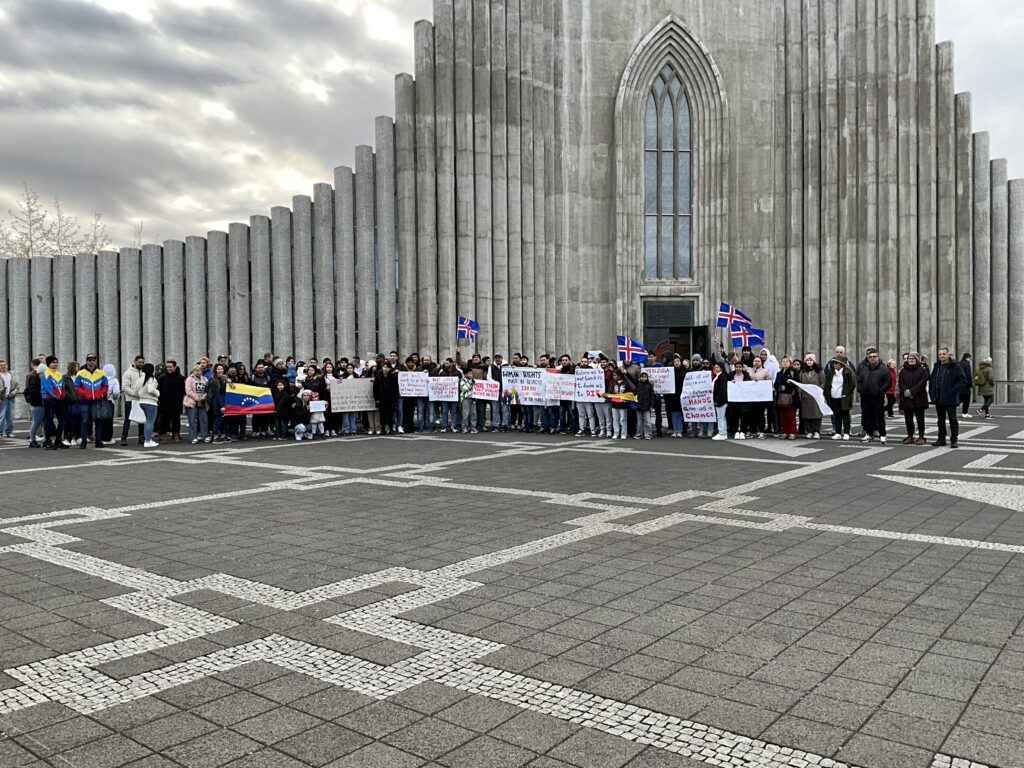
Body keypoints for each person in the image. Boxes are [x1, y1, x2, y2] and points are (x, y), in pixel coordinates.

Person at [929, 346, 968, 448]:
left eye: (943, 354)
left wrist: (953, 390)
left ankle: (954, 439)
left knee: (953, 419)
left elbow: (963, 380)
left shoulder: (955, 366)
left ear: (948, 354)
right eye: (940, 354)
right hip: (938, 398)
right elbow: (933, 380)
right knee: (940, 420)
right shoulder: (936, 366)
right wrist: (932, 393)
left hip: (950, 398)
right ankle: (941, 439)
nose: (942, 356)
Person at [74, 354, 109, 449]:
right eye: (89, 360)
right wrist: (84, 394)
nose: (91, 361)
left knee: (98, 421)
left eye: (93, 360)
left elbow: (105, 385)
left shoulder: (101, 373)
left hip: (97, 401)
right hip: (85, 401)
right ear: (86, 361)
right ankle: (83, 442)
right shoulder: (81, 373)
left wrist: (102, 394)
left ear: (96, 361)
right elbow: (76, 386)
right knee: (84, 421)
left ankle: (98, 441)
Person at [857, 348, 890, 444]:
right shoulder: (864, 369)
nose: (872, 358)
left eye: (874, 357)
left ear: (878, 357)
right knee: (867, 416)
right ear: (867, 358)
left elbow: (888, 382)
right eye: (870, 357)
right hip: (865, 397)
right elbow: (859, 380)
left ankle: (883, 435)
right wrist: (860, 389)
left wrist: (880, 391)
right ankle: (869, 434)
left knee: (879, 417)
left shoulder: (884, 369)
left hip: (877, 397)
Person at [897, 352, 929, 445]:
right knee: (908, 419)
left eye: (913, 359)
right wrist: (906, 390)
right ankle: (910, 435)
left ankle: (921, 436)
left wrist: (912, 391)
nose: (911, 360)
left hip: (919, 398)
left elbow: (922, 382)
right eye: (909, 358)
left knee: (920, 419)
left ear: (916, 359)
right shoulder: (903, 370)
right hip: (906, 398)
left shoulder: (921, 370)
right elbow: (901, 382)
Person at [824, 357, 855, 441]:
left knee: (845, 416)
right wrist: (827, 394)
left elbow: (852, 384)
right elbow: (827, 383)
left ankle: (846, 433)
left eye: (836, 363)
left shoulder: (848, 371)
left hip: (844, 398)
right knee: (836, 415)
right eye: (834, 363)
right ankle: (838, 433)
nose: (834, 365)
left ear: (841, 364)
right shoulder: (831, 372)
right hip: (833, 397)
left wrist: (846, 393)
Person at [41, 356, 67, 450]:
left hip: (59, 400)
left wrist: (63, 395)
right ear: (48, 364)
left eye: (56, 362)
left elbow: (63, 386)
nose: (55, 364)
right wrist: (55, 396)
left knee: (62, 420)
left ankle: (58, 440)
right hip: (49, 399)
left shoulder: (59, 374)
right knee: (49, 419)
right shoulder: (45, 374)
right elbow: (48, 388)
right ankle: (47, 440)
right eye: (53, 362)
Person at [157, 359, 185, 443]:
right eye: (167, 367)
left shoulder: (180, 378)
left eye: (171, 367)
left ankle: (176, 434)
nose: (169, 369)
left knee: (176, 420)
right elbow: (158, 390)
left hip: (176, 402)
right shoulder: (161, 378)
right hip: (164, 402)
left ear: (175, 367)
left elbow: (183, 390)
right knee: (164, 420)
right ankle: (164, 435)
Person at [798, 354, 825, 439]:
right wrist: (801, 393)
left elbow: (823, 382)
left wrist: (819, 391)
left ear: (814, 361)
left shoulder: (819, 371)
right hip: (805, 396)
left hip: (816, 395)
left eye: (811, 360)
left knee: (816, 414)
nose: (809, 361)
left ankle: (816, 431)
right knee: (806, 415)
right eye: (807, 360)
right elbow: (800, 383)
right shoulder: (802, 371)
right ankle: (809, 431)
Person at [120, 355, 146, 446]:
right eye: (139, 362)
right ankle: (124, 437)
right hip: (130, 399)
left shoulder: (144, 373)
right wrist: (135, 394)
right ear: (135, 362)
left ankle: (141, 437)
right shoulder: (128, 373)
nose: (141, 364)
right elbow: (124, 387)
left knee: (141, 419)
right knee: (128, 419)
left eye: (143, 362)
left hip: (141, 399)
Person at [773, 355, 799, 440]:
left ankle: (792, 432)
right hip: (781, 397)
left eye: (787, 361)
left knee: (790, 415)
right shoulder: (779, 373)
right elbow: (775, 384)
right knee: (782, 416)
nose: (785, 363)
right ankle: (785, 431)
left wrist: (787, 387)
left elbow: (796, 383)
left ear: (790, 363)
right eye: (783, 361)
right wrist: (779, 387)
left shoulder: (793, 372)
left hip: (790, 397)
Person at [184, 363, 210, 444]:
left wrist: (202, 398)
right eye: (196, 370)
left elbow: (207, 390)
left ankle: (205, 435)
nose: (197, 372)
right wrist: (197, 399)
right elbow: (188, 391)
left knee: (204, 419)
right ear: (193, 371)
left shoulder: (205, 379)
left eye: (199, 370)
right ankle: (193, 437)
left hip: (202, 402)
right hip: (192, 402)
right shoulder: (189, 379)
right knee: (192, 420)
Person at [136, 363, 160, 447]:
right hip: (151, 402)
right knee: (150, 421)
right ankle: (148, 440)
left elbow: (136, 390)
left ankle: (147, 439)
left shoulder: (139, 379)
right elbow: (151, 389)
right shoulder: (151, 379)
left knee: (147, 421)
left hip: (142, 401)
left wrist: (141, 394)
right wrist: (158, 393)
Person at [98, 364, 119, 445]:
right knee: (109, 421)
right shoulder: (114, 380)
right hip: (109, 402)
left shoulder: (100, 379)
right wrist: (114, 398)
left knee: (101, 420)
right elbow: (116, 392)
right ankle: (108, 438)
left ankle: (100, 437)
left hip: (100, 402)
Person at [24, 362, 44, 447]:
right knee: (36, 422)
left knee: (40, 422)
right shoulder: (34, 380)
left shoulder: (38, 379)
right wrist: (43, 394)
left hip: (39, 403)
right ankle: (32, 440)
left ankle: (39, 440)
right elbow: (34, 392)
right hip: (37, 404)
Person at [665, 356, 684, 438]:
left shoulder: (684, 371)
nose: (676, 363)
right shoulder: (670, 371)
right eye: (675, 361)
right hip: (672, 395)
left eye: (678, 361)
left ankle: (679, 430)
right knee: (673, 413)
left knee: (679, 413)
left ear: (681, 362)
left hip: (680, 394)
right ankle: (674, 430)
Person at [711, 363, 729, 440]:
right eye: (715, 367)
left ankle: (721, 433)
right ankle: (724, 433)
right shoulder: (718, 376)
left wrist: (717, 400)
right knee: (722, 417)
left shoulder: (722, 377)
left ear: (721, 368)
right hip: (720, 400)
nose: (715, 368)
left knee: (720, 417)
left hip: (721, 400)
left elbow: (722, 390)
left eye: (717, 367)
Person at [634, 370, 654, 440]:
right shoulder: (638, 385)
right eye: (642, 377)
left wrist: (651, 406)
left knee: (647, 421)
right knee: (639, 422)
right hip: (638, 405)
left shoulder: (650, 386)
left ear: (647, 378)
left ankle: (648, 434)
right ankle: (639, 434)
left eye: (645, 377)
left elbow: (652, 396)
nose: (643, 378)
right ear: (640, 378)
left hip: (647, 406)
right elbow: (635, 393)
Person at [0, 360, 17, 438]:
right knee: (2, 416)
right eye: (1, 365)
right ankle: (0, 432)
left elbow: (17, 386)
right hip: (1, 398)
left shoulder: (11, 375)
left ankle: (9, 432)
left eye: (4, 365)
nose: (3, 366)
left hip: (10, 397)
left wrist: (12, 394)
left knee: (9, 416)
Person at [958, 352, 974, 417]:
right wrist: (970, 384)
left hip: (959, 384)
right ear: (967, 358)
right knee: (966, 400)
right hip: (965, 385)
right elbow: (969, 375)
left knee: (959, 398)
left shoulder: (959, 364)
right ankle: (965, 413)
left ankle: (948, 408)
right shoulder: (967, 365)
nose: (970, 360)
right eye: (970, 358)